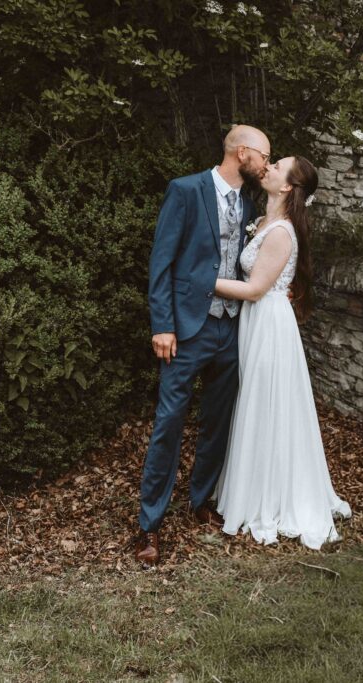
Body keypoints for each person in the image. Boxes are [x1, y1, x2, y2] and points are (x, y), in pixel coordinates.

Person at [135, 125, 271, 566]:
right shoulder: (186, 190)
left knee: (219, 420)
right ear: (243, 152)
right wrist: (163, 325)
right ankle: (149, 526)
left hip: (231, 330)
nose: (267, 165)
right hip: (187, 330)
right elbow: (162, 261)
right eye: (264, 156)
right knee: (169, 422)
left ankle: (200, 500)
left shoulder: (250, 204)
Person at [212, 155, 351, 548]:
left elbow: (256, 289)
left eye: (277, 167)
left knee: (267, 401)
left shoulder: (281, 232)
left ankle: (269, 495)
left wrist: (203, 280)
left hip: (268, 322)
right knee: (256, 400)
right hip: (256, 320)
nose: (269, 168)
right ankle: (252, 485)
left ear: (288, 186)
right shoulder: (261, 221)